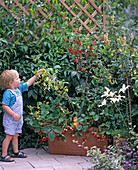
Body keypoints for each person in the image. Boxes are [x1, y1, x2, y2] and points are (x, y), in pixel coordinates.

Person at [0, 69, 42, 162]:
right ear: (11, 83)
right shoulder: (8, 93)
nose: (20, 80)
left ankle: (16, 152)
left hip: (18, 118)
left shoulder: (18, 89)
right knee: (9, 136)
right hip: (11, 119)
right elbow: (5, 106)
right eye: (17, 78)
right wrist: (13, 114)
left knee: (16, 135)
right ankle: (3, 155)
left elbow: (28, 83)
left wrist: (36, 76)